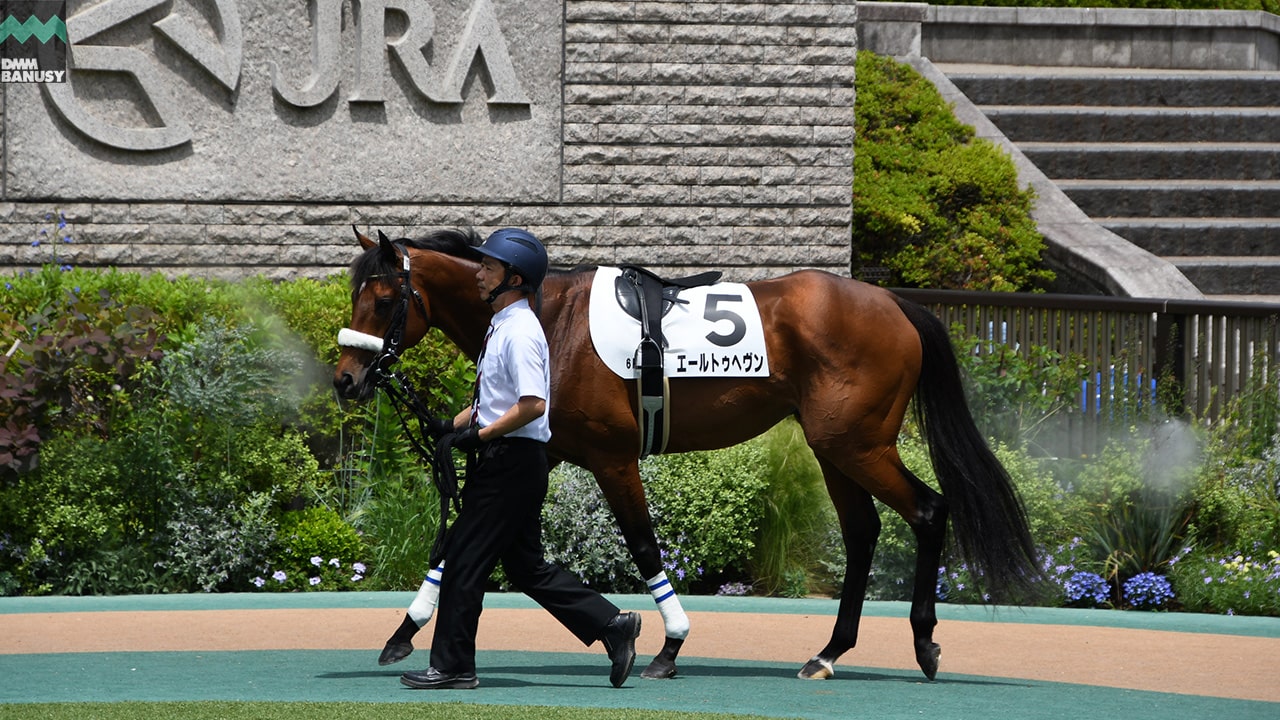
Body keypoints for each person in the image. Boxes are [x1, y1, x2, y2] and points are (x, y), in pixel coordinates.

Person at [398, 227, 642, 690]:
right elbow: (496, 398)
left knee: (465, 561)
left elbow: (532, 404)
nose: (479, 274)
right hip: (511, 460)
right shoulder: (504, 326)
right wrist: (452, 426)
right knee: (525, 566)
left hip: (509, 462)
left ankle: (453, 667)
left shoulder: (522, 332)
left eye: (488, 267)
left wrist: (482, 434)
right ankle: (612, 626)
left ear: (514, 277)